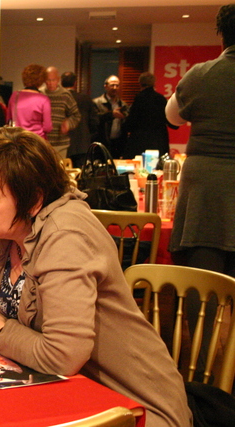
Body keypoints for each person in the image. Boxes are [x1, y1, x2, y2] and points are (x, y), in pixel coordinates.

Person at [0, 127, 192, 427]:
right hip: (59, 389)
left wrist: (0, 331)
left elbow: (61, 356)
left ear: (33, 201)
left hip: (131, 405)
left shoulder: (65, 235)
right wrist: (8, 335)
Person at [166, 3, 235, 382]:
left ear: (222, 34)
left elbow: (173, 116)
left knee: (202, 294)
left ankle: (204, 374)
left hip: (205, 197)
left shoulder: (203, 75)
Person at [123, 72, 175, 159]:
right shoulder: (161, 99)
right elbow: (169, 120)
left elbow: (131, 122)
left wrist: (124, 124)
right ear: (154, 83)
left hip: (139, 141)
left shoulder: (139, 98)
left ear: (140, 83)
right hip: (159, 140)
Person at [41, 66, 80, 159]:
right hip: (43, 142)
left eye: (53, 80)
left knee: (59, 171)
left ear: (58, 80)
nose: (50, 83)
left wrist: (68, 124)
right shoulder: (40, 94)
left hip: (60, 143)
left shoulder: (65, 95)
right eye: (48, 80)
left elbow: (76, 115)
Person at [61, 71, 99, 168]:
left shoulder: (59, 98)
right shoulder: (85, 99)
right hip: (82, 144)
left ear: (61, 82)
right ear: (75, 83)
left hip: (62, 144)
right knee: (81, 176)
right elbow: (94, 122)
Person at [6, 64, 52, 139]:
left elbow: (8, 119)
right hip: (36, 141)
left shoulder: (15, 95)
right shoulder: (44, 99)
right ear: (42, 79)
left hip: (18, 139)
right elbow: (47, 127)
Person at [93, 75, 129, 158]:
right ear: (105, 86)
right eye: (112, 85)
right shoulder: (97, 102)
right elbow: (95, 120)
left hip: (118, 143)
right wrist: (111, 114)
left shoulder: (123, 104)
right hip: (102, 142)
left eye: (117, 85)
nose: (115, 88)